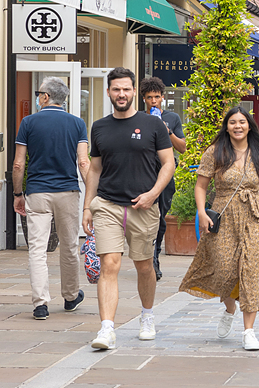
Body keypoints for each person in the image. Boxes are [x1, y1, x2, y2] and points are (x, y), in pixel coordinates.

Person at [83, 67, 175, 350]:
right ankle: (107, 328)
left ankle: (147, 316)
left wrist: (153, 194)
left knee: (144, 266)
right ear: (108, 92)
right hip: (108, 204)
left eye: (126, 89)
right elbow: (95, 170)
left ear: (135, 92)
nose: (121, 94)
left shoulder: (153, 125)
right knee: (108, 264)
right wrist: (88, 206)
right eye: (116, 89)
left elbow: (168, 164)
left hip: (142, 207)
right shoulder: (99, 126)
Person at [179, 107, 259, 351]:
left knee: (252, 271)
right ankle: (229, 308)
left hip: (255, 217)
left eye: (242, 122)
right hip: (224, 215)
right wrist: (201, 211)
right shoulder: (215, 152)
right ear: (227, 126)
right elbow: (201, 186)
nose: (237, 126)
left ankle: (249, 331)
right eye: (232, 122)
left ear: (249, 126)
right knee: (224, 269)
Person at [13, 77, 89, 320]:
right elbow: (84, 162)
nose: (38, 97)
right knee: (69, 246)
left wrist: (17, 193)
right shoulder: (77, 124)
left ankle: (40, 304)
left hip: (37, 192)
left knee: (37, 248)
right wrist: (94, 195)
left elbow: (18, 164)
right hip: (67, 192)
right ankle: (69, 297)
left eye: (39, 93)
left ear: (46, 97)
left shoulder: (28, 123)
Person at [139, 77, 186, 281]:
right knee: (143, 217)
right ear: (144, 99)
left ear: (162, 98)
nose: (153, 101)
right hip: (143, 173)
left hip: (165, 174)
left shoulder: (172, 118)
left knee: (161, 216)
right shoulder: (138, 118)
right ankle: (146, 257)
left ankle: (155, 255)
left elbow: (182, 147)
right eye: (149, 98)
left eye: (157, 97)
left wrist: (167, 130)